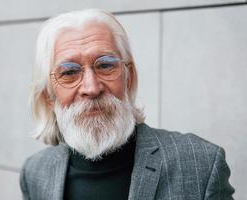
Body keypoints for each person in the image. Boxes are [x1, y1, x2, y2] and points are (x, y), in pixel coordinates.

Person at [20, 9, 234, 200]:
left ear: (128, 77)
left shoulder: (201, 165)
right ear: (49, 95)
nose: (92, 88)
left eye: (105, 65)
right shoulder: (35, 173)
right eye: (69, 72)